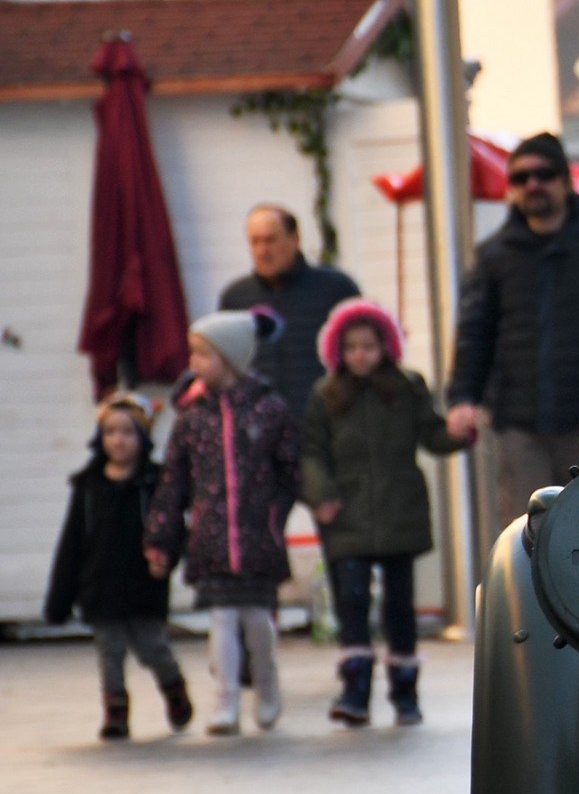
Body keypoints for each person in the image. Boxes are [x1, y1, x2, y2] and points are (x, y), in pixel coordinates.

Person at [446, 133, 579, 533]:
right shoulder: (495, 254)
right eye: (521, 178)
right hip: (520, 423)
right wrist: (462, 397)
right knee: (529, 536)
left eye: (543, 174)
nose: (533, 185)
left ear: (564, 180)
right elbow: (476, 329)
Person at [302, 301, 470, 729]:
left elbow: (431, 435)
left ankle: (405, 692)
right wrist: (320, 493)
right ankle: (355, 691)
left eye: (369, 347)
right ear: (338, 350)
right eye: (352, 347)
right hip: (346, 514)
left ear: (386, 347)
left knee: (400, 606)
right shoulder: (325, 396)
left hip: (399, 511)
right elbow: (312, 453)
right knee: (352, 602)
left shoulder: (408, 387)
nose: (360, 355)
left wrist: (457, 434)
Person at [148, 308, 298, 734]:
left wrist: (275, 516)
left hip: (257, 540)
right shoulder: (191, 418)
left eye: (204, 355)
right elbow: (173, 481)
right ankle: (226, 700)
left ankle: (267, 686)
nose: (194, 364)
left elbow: (291, 469)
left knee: (257, 622)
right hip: (211, 541)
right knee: (222, 621)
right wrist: (160, 537)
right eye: (193, 354)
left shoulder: (269, 409)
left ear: (232, 358)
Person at [45, 394, 194, 739]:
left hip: (144, 585)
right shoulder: (88, 486)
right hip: (100, 586)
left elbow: (174, 528)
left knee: (152, 647)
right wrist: (60, 599)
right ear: (100, 437)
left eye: (128, 432)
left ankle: (172, 686)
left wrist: (169, 558)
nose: (119, 439)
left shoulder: (155, 483)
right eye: (111, 431)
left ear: (142, 438)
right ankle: (115, 712)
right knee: (109, 651)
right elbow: (72, 543)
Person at [217, 205, 360, 420]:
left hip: (324, 422)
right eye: (255, 241)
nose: (262, 251)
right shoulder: (236, 298)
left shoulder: (336, 289)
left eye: (270, 240)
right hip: (259, 428)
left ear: (295, 239)